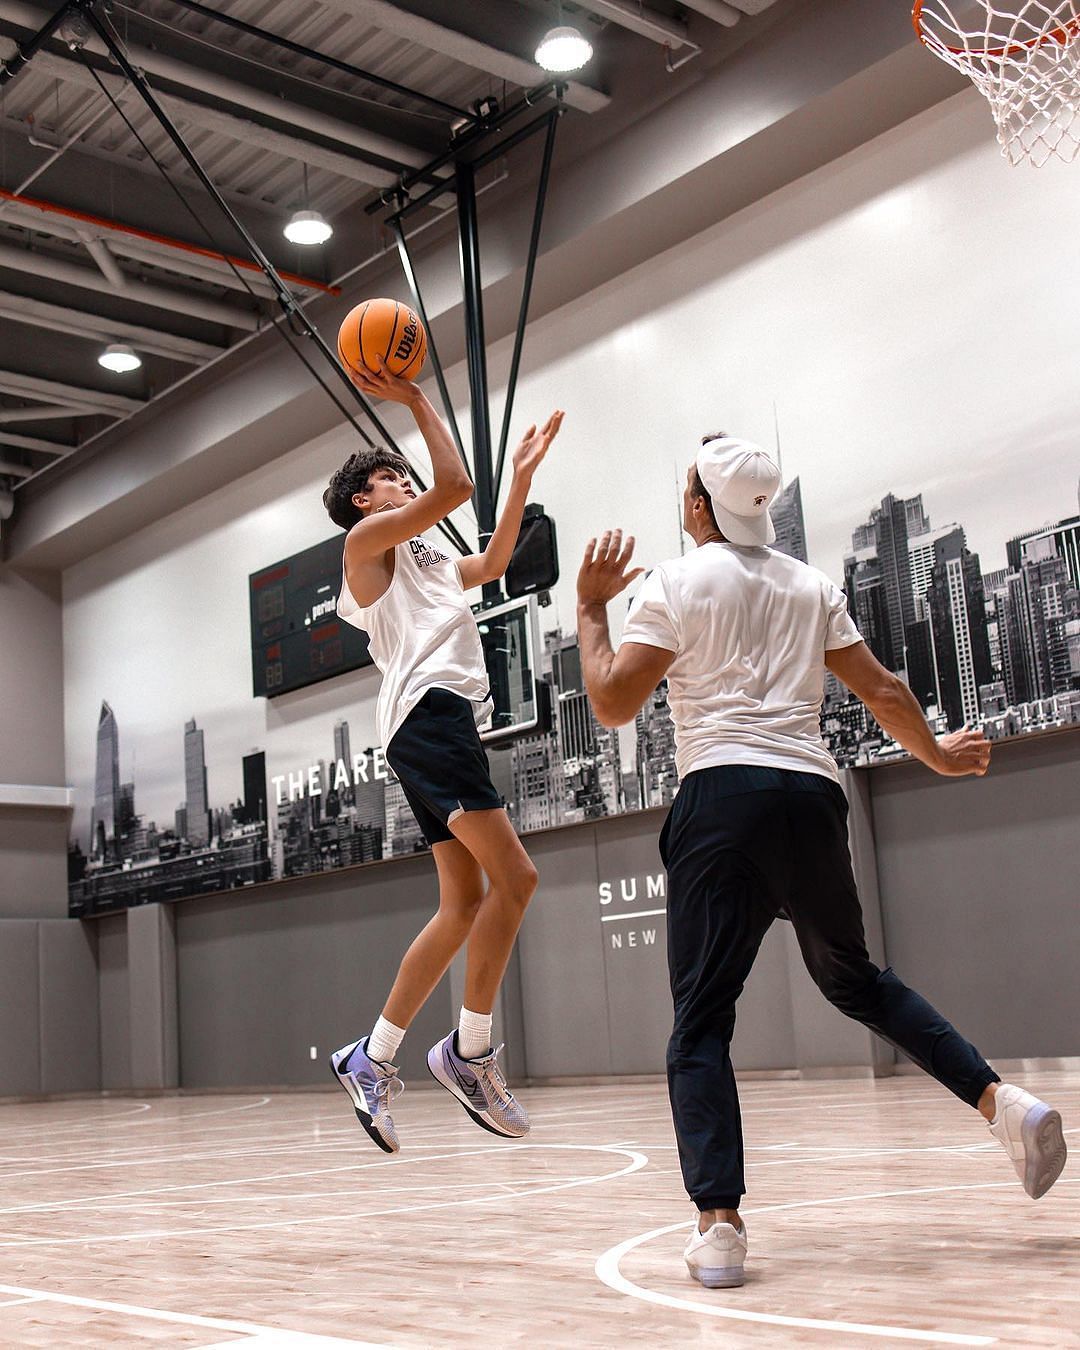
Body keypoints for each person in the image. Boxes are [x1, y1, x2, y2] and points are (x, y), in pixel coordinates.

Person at [575, 433, 1067, 1289]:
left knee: (700, 1022)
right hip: (811, 798)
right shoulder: (811, 585)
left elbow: (613, 701)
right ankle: (1003, 1104)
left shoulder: (674, 581)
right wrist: (940, 756)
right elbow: (883, 689)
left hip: (722, 798)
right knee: (857, 982)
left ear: (697, 505)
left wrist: (588, 610)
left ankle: (720, 1227)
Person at [322, 355, 562, 1153]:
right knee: (518, 878)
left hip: (433, 720)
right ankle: (469, 1052)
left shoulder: (425, 563)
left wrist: (520, 478)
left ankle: (374, 1056)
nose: (405, 484)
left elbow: (491, 565)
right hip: (428, 717)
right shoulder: (366, 547)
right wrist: (418, 395)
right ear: (368, 497)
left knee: (463, 903)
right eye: (395, 476)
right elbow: (452, 489)